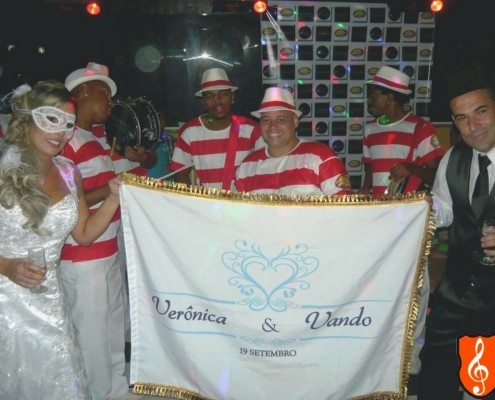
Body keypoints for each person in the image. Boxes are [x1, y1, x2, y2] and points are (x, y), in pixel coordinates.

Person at [0, 80, 122, 399]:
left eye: (68, 124)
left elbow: (82, 234)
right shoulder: (2, 168)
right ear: (28, 119)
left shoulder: (69, 171)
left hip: (51, 300)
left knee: (59, 382)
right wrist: (6, 266)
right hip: (5, 301)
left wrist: (112, 197)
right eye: (51, 119)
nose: (61, 132)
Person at [418, 64, 495, 400]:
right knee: (435, 377)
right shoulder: (454, 157)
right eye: (461, 118)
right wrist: (415, 212)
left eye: (481, 112)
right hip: (455, 292)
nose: (472, 126)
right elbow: (445, 210)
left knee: (480, 385)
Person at [59, 62, 129, 399]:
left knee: (114, 331)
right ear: (83, 91)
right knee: (93, 339)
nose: (111, 101)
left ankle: (116, 391)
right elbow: (66, 201)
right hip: (83, 256)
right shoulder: (65, 140)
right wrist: (115, 188)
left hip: (108, 249)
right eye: (105, 92)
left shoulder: (95, 138)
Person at [235, 87, 352, 196]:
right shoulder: (247, 167)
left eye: (281, 119)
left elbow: (344, 210)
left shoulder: (321, 157)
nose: (272, 126)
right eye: (266, 120)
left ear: (295, 121)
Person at [169, 67, 264, 190]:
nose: (217, 100)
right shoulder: (190, 132)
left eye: (223, 94)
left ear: (232, 97)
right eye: (210, 96)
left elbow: (266, 168)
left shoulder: (251, 130)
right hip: (206, 204)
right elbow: (180, 173)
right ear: (203, 102)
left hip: (242, 205)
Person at [361, 65, 444, 196]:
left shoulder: (421, 128)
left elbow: (439, 175)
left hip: (409, 210)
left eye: (373, 95)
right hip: (377, 208)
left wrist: (413, 169)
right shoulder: (370, 129)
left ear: (389, 97)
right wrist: (365, 188)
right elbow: (371, 167)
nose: (369, 101)